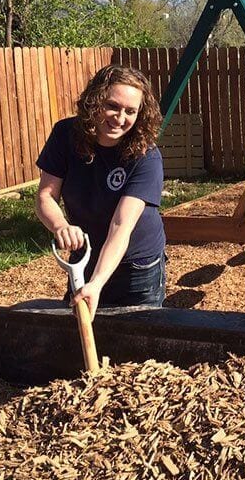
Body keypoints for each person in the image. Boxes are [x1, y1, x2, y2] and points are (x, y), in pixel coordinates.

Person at [36, 64, 166, 312]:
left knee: (136, 333)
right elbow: (46, 196)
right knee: (78, 327)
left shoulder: (146, 156)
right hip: (85, 254)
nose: (120, 118)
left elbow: (121, 225)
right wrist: (60, 226)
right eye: (112, 106)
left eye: (130, 111)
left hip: (136, 266)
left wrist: (96, 283)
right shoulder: (66, 135)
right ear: (94, 102)